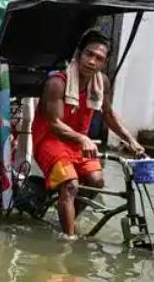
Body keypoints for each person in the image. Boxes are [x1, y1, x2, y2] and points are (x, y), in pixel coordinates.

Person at [32, 29, 145, 238]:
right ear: (79, 54)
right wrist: (83, 138)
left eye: (99, 58)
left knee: (96, 182)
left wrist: (131, 140)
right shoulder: (57, 83)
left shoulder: (102, 83)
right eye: (89, 54)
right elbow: (54, 124)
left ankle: (67, 219)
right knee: (70, 185)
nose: (92, 61)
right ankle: (69, 241)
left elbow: (108, 114)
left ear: (105, 62)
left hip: (78, 143)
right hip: (49, 140)